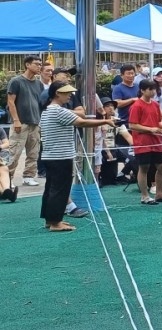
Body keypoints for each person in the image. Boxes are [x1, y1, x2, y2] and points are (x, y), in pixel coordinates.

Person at [38, 82, 114, 232]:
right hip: (61, 157)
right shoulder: (59, 111)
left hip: (50, 156)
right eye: (66, 93)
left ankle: (51, 220)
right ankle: (55, 223)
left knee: (51, 188)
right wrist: (106, 120)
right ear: (57, 93)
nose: (70, 96)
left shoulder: (47, 111)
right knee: (60, 189)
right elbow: (82, 122)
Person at [128, 79, 162, 205]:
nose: (153, 92)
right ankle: (145, 196)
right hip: (142, 142)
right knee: (144, 167)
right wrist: (150, 129)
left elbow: (159, 120)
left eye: (154, 89)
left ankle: (159, 194)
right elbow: (132, 125)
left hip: (156, 140)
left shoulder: (155, 104)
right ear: (142, 90)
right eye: (150, 89)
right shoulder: (136, 105)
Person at [7, 56, 46, 188]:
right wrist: (16, 120)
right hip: (20, 123)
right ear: (27, 65)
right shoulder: (16, 81)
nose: (39, 66)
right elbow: (10, 102)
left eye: (40, 64)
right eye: (36, 64)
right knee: (14, 152)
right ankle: (7, 178)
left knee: (33, 153)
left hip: (35, 123)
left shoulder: (39, 84)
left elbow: (42, 103)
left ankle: (28, 176)